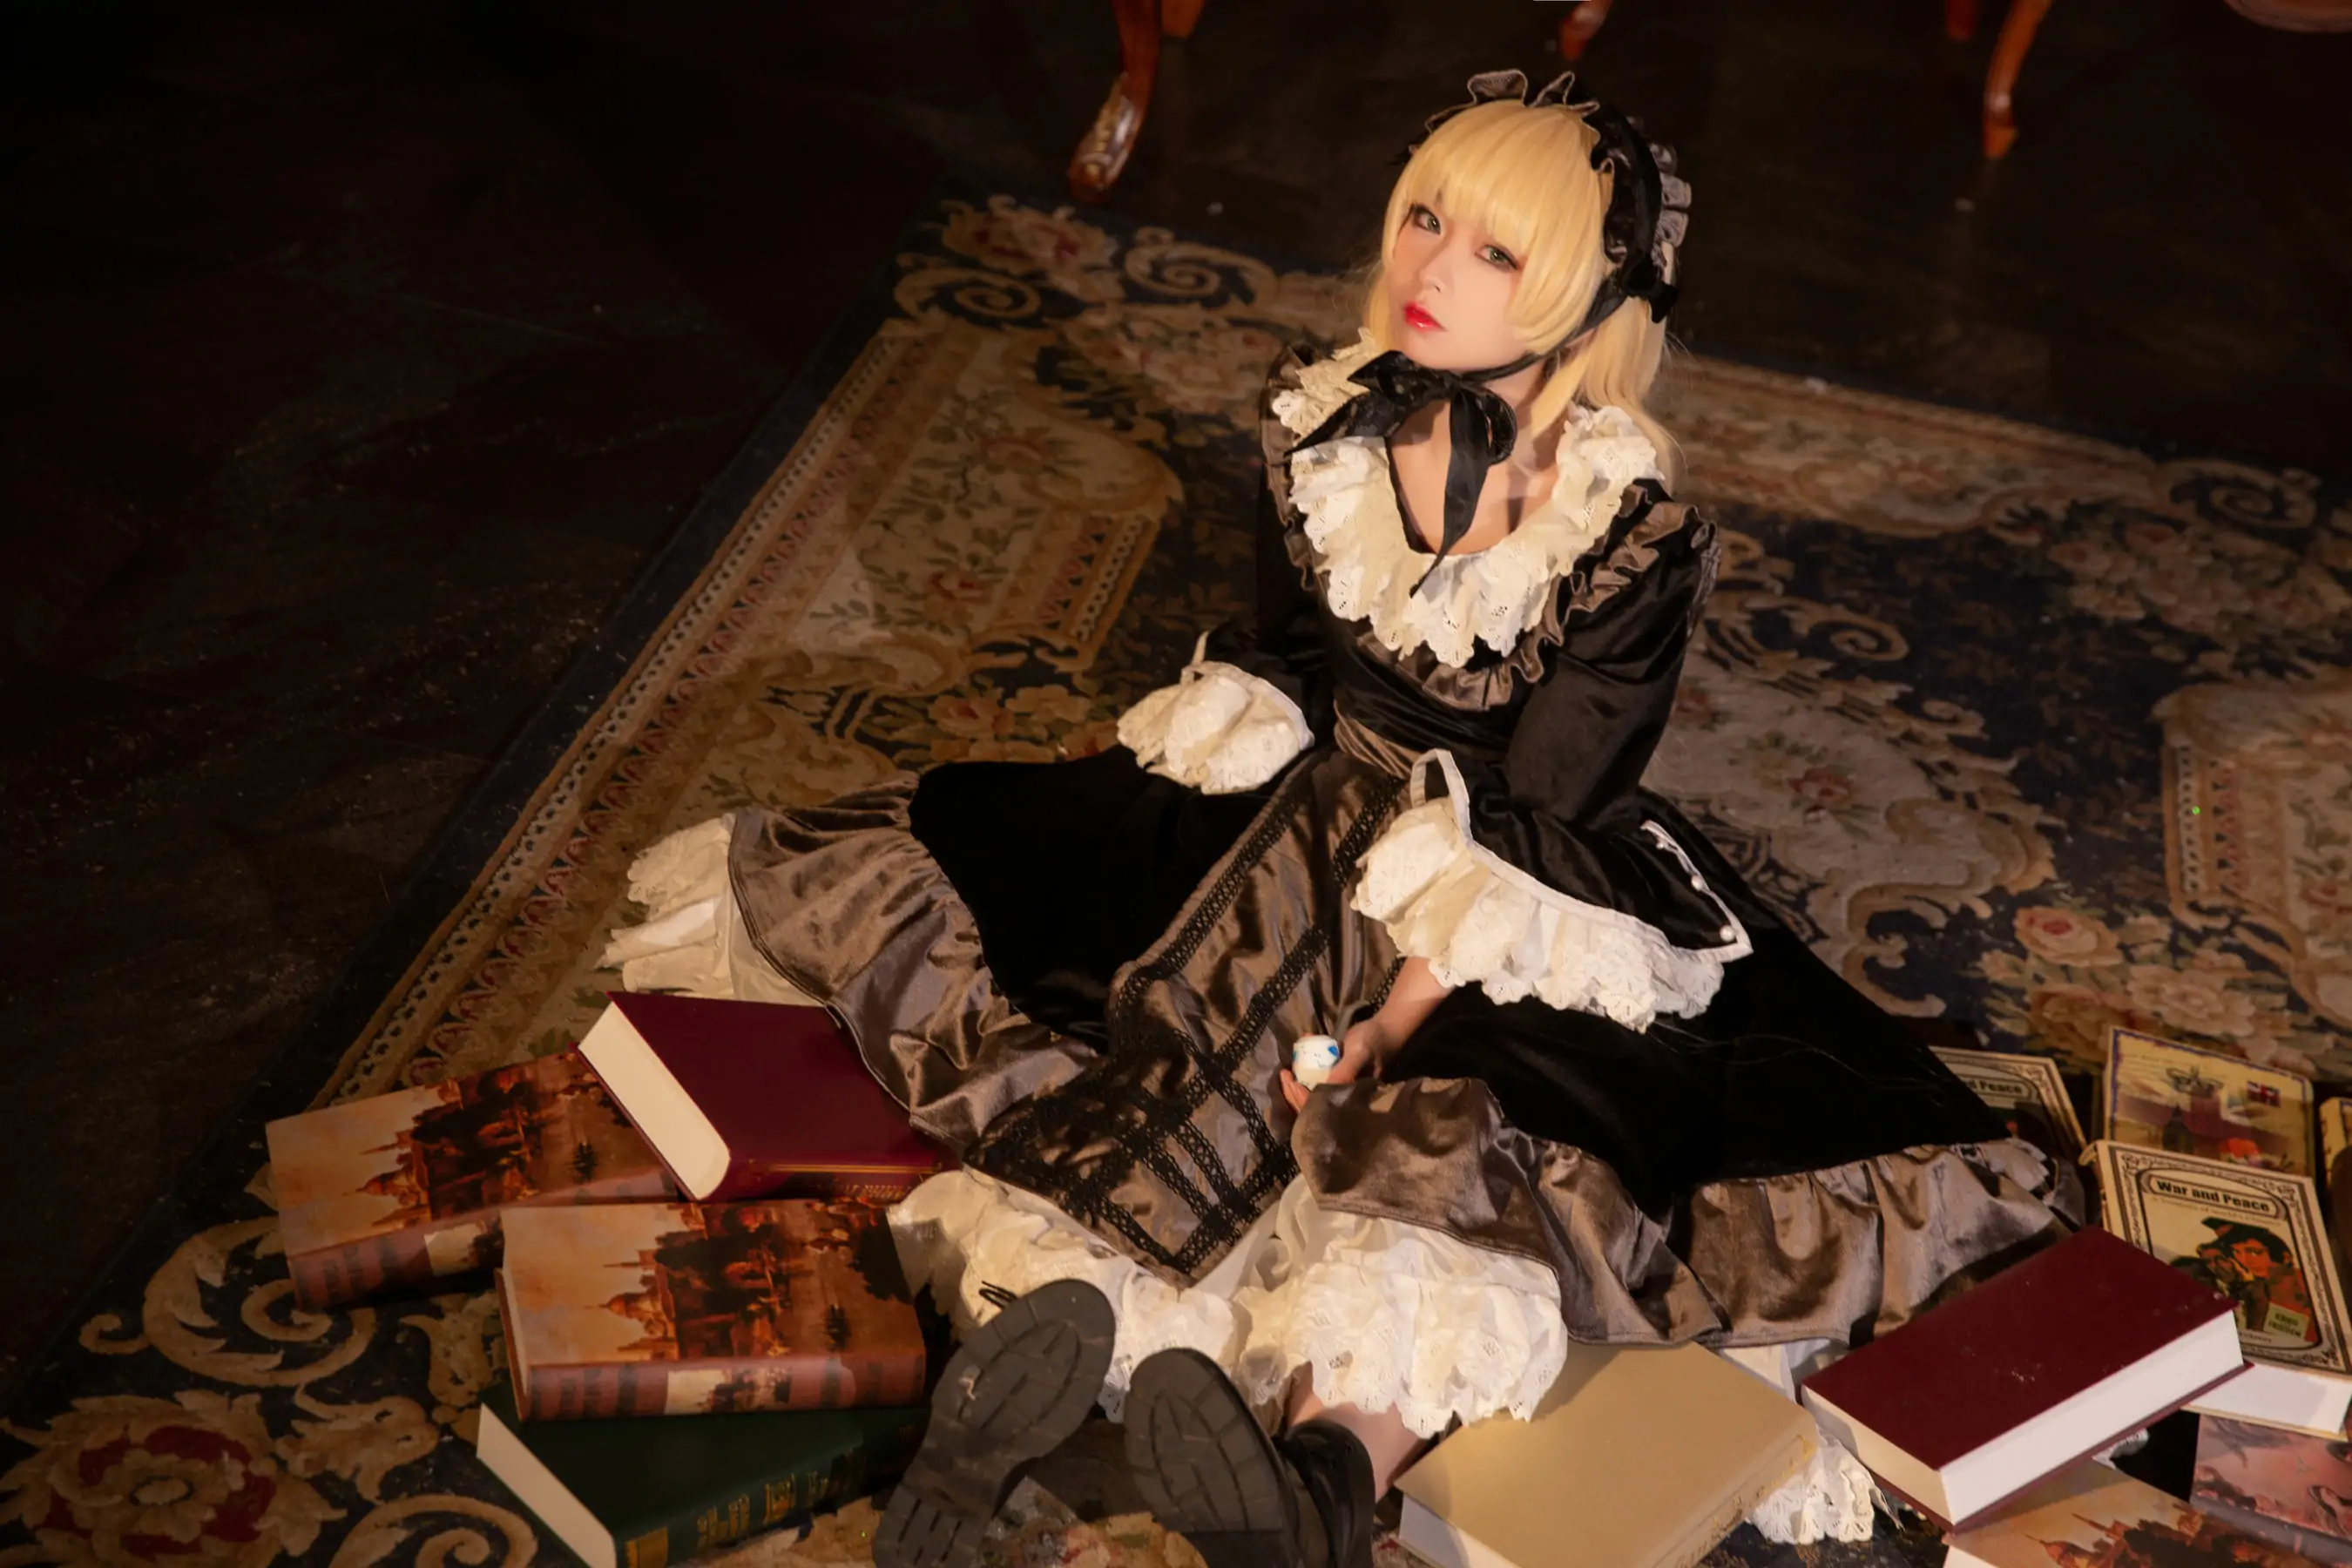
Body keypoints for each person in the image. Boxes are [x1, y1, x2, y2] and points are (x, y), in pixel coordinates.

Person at [602, 70, 2073, 1568]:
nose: (1431, 268)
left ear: (1586, 296)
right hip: (1310, 803)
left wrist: (1392, 1015)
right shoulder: (1326, 421)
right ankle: (987, 1402)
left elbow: (1552, 810)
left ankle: (1317, 1487)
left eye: (1494, 251)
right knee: (1137, 1017)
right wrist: (1162, 789)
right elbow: (1293, 658)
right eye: (1423, 217)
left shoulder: (1629, 536)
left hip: (1508, 883)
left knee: (1451, 1137)